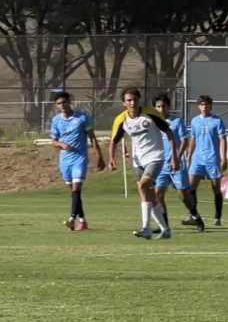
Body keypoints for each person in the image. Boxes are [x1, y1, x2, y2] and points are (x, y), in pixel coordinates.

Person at [107, 87, 178, 239]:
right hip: (138, 160)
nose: (132, 103)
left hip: (155, 157)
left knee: (143, 186)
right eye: (129, 100)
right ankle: (165, 230)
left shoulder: (151, 114)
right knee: (150, 196)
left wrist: (174, 157)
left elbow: (169, 133)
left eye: (135, 100)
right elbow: (114, 141)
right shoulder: (121, 120)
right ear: (123, 103)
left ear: (139, 100)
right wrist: (111, 159)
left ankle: (145, 227)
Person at [48, 91, 105, 231]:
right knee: (74, 193)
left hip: (80, 159)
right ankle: (83, 220)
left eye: (65, 102)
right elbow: (53, 141)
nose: (63, 105)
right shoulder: (56, 120)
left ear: (69, 102)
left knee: (76, 189)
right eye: (59, 103)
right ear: (56, 105)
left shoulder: (82, 118)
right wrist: (61, 145)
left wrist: (100, 157)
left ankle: (71, 219)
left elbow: (92, 138)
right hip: (65, 161)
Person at [152, 93, 203, 232]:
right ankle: (164, 225)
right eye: (158, 106)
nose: (161, 109)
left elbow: (185, 140)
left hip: (176, 164)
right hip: (161, 165)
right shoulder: (153, 123)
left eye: (164, 106)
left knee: (183, 195)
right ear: (154, 108)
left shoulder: (176, 122)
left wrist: (177, 158)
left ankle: (195, 216)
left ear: (168, 107)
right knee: (158, 193)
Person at [185, 94, 228, 226]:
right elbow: (193, 139)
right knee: (191, 188)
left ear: (210, 106)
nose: (204, 107)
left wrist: (223, 158)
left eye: (206, 104)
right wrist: (188, 156)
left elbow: (222, 139)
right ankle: (193, 215)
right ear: (199, 106)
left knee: (215, 188)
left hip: (212, 159)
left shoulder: (217, 121)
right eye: (202, 104)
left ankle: (218, 216)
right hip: (198, 159)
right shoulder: (195, 121)